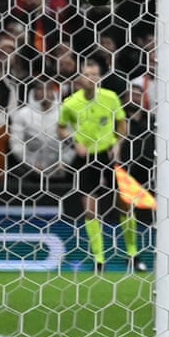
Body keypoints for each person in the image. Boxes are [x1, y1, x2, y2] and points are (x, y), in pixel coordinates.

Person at [58, 59, 129, 273]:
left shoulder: (110, 98)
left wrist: (118, 143)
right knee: (90, 209)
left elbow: (122, 123)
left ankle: (133, 254)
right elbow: (61, 128)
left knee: (125, 204)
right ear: (80, 77)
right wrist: (74, 142)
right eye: (86, 74)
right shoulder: (70, 103)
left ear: (100, 78)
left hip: (108, 155)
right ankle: (99, 259)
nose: (90, 78)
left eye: (94, 74)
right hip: (86, 158)